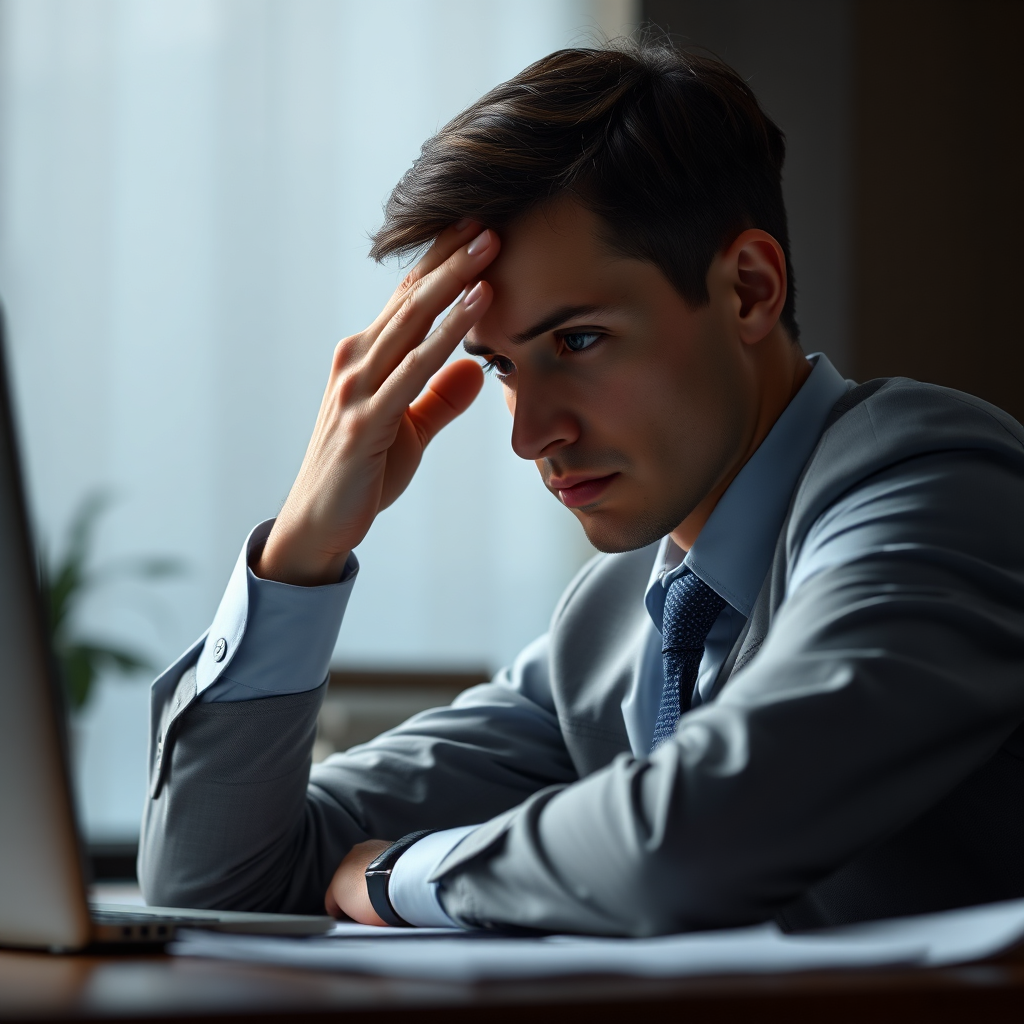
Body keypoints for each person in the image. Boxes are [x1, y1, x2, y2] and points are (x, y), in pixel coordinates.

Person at [138, 40, 1024, 936]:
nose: (531, 436)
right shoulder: (610, 626)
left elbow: (693, 841)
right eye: (503, 367)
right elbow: (212, 881)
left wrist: (409, 873)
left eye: (579, 341)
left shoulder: (937, 484)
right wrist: (301, 553)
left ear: (750, 290)